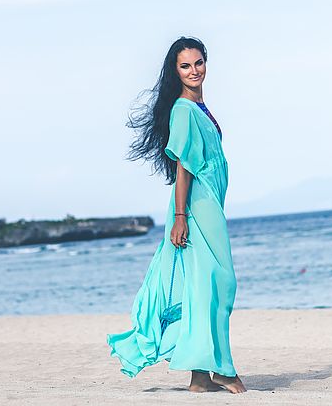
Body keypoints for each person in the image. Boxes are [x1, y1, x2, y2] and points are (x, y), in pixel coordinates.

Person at [106, 36, 247, 394]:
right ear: (176, 70)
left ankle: (200, 376)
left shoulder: (199, 106)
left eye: (198, 62)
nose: (194, 70)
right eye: (186, 65)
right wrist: (182, 215)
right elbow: (184, 165)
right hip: (196, 204)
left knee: (204, 285)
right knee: (221, 282)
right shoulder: (183, 109)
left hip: (208, 201)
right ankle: (223, 370)